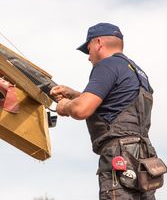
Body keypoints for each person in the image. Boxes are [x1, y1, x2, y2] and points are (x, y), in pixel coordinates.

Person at [50, 23, 158, 199]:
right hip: (144, 159)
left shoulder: (107, 65)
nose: (89, 57)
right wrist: (76, 94)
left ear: (98, 42)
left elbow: (80, 110)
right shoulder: (136, 71)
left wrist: (65, 106)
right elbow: (117, 103)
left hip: (120, 155)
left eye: (89, 49)